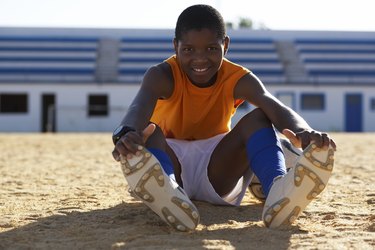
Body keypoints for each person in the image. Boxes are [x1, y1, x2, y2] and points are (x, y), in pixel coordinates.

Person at [112, 4, 336, 231]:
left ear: (225, 45)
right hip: (170, 162)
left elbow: (275, 107)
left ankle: (277, 188)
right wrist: (125, 133)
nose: (200, 59)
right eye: (188, 50)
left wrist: (304, 131)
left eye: (211, 48)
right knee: (148, 131)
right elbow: (138, 106)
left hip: (217, 167)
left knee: (259, 118)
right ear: (175, 46)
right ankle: (166, 191)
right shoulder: (161, 75)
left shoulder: (238, 78)